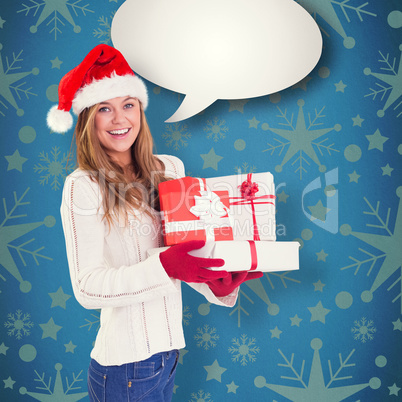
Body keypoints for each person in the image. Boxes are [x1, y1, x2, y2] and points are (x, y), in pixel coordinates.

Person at [50, 44, 262, 402]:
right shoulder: (82, 186)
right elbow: (87, 287)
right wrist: (163, 265)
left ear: (140, 110)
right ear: (89, 119)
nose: (120, 120)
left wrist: (218, 285)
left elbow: (186, 251)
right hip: (123, 369)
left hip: (167, 358)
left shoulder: (169, 170)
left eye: (128, 105)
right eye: (105, 108)